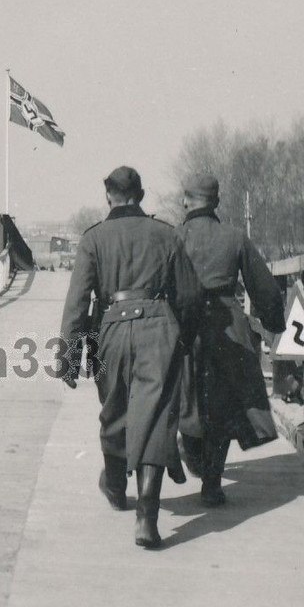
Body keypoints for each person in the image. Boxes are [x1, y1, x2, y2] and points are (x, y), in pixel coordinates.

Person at [60, 166, 202, 548]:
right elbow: (188, 297)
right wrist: (182, 339)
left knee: (115, 410)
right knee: (155, 419)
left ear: (108, 196)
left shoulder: (94, 239)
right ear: (141, 194)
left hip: (110, 330)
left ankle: (116, 488)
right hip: (158, 327)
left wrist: (69, 358)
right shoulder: (167, 234)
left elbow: (77, 302)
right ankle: (147, 518)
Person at [176, 173, 285, 506]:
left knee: (187, 395)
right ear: (217, 202)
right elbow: (264, 287)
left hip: (185, 325)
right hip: (228, 326)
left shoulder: (173, 238)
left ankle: (191, 449)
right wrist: (273, 322)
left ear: (185, 201)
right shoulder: (235, 237)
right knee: (221, 403)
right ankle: (212, 483)